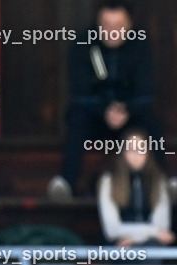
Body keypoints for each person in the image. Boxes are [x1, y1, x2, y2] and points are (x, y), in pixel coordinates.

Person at [48, 1, 164, 199]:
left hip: (130, 117)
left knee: (151, 122)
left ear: (129, 25)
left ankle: (163, 183)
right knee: (76, 120)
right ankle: (66, 183)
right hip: (94, 115)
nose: (112, 32)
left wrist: (125, 110)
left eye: (118, 26)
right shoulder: (83, 43)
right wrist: (105, 110)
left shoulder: (140, 46)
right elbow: (79, 91)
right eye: (107, 25)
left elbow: (146, 91)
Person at [98, 129, 173, 247]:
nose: (136, 155)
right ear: (122, 153)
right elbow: (111, 230)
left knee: (153, 248)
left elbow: (162, 226)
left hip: (151, 243)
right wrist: (151, 232)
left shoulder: (158, 180)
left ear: (148, 153)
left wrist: (136, 238)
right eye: (131, 150)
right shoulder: (109, 181)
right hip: (120, 243)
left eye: (141, 150)